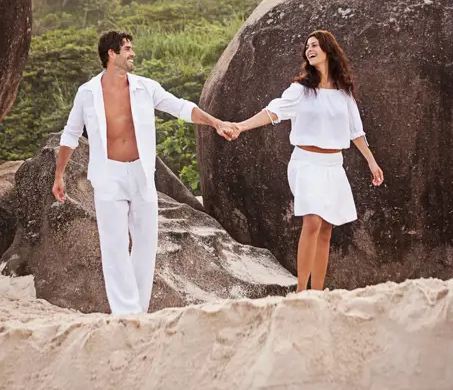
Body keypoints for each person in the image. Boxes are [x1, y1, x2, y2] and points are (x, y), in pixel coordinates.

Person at [52, 30, 234, 315]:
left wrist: (215, 122)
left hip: (141, 173)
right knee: (113, 246)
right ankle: (126, 313)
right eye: (127, 49)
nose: (132, 53)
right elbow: (71, 134)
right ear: (111, 54)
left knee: (146, 244)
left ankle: (138, 309)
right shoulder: (87, 93)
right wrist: (59, 174)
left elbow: (181, 108)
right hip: (108, 174)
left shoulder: (145, 87)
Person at [229, 30, 384, 293]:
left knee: (326, 230)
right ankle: (301, 291)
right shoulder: (300, 90)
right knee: (312, 220)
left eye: (315, 45)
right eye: (307, 46)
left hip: (333, 166)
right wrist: (241, 127)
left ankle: (317, 292)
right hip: (306, 162)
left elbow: (355, 131)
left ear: (328, 50)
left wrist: (371, 161)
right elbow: (273, 111)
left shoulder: (343, 93)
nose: (309, 49)